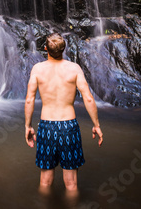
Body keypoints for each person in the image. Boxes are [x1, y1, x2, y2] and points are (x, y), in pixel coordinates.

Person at [24, 33, 103, 195]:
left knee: (45, 181)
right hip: (68, 126)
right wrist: (97, 125)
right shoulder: (74, 68)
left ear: (45, 48)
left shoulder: (38, 69)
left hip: (46, 127)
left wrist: (28, 126)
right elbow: (88, 98)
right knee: (72, 184)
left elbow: (29, 100)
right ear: (63, 49)